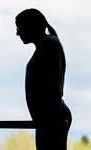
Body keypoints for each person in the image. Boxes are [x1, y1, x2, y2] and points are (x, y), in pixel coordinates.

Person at [16, 8, 72, 150]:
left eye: (20, 27)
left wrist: (50, 120)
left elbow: (54, 83)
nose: (17, 33)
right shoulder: (48, 44)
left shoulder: (49, 44)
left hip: (51, 119)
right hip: (49, 119)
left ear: (32, 25)